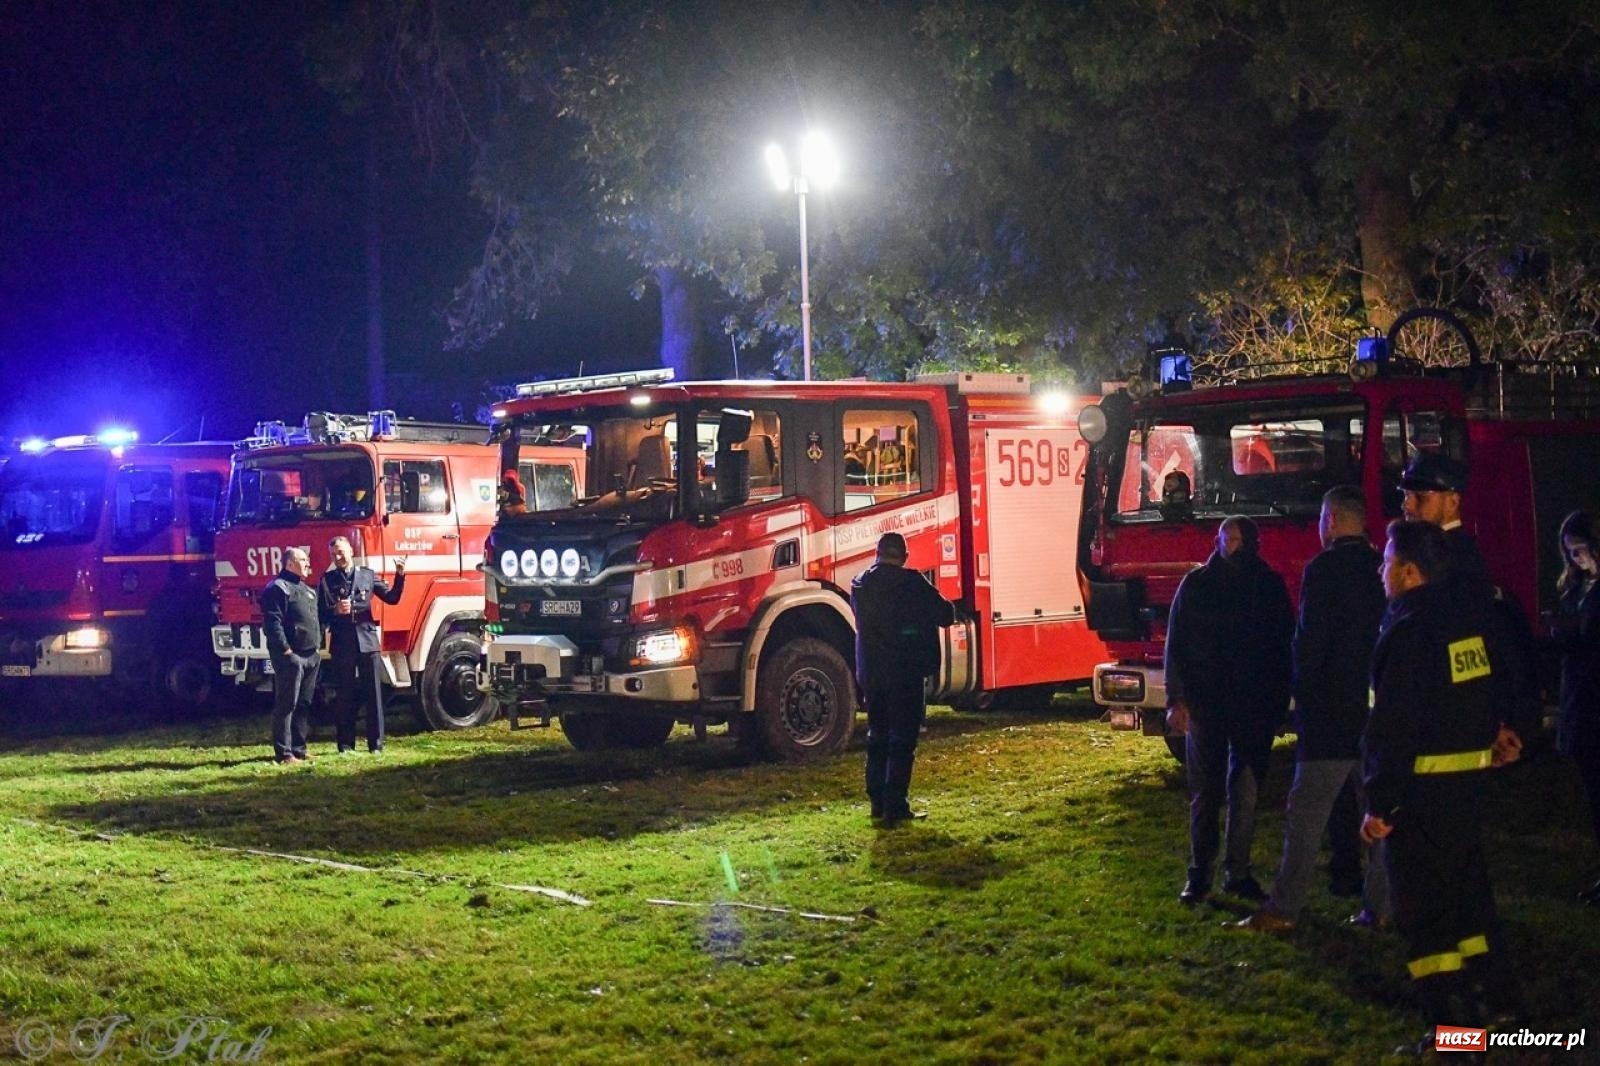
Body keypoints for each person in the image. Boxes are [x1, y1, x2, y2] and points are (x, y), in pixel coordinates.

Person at [1362, 519, 1520, 1049]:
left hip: (1420, 799)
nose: (1381, 572)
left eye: (1387, 562)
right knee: (1469, 905)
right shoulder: (1465, 623)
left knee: (1425, 919)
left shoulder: (1408, 631)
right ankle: (1498, 1007)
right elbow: (1488, 690)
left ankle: (1457, 1037)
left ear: (1409, 572)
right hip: (1466, 792)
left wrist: (1381, 804)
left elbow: (1394, 726)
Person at [1232, 486, 1390, 932]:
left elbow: (1311, 642)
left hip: (1330, 716)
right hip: (1376, 714)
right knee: (1377, 815)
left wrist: (1300, 695)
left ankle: (1283, 908)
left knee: (1305, 816)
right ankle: (1380, 907)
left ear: (1332, 520)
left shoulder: (1323, 570)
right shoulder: (1383, 566)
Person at [1166, 515, 1294, 904]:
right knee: (1206, 791)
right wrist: (1177, 698)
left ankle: (1236, 872)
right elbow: (1177, 643)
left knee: (1246, 791)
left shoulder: (1267, 586)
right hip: (1208, 704)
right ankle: (1200, 873)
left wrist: (1276, 705)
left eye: (1237, 540)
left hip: (1252, 706)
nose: (1230, 547)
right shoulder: (1197, 585)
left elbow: (1282, 649)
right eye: (1227, 539)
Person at [1400, 452, 1534, 766]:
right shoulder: (1447, 552)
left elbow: (1479, 639)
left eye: (1420, 497)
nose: (1408, 505)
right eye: (1405, 496)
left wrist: (1496, 714)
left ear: (1452, 501)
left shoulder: (1455, 557)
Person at [851, 532, 956, 824]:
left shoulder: (860, 584)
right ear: (904, 556)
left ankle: (877, 801)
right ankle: (895, 804)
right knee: (903, 738)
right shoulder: (913, 583)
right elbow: (946, 614)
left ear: (877, 553)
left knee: (877, 735)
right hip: (905, 673)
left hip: (872, 674)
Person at [318, 536, 406, 754]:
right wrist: (335, 610)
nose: (338, 557)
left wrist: (400, 575)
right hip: (342, 643)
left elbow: (392, 598)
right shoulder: (327, 580)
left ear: (351, 551)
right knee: (344, 695)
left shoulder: (367, 575)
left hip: (367, 641)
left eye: (340, 552)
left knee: (373, 694)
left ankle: (376, 744)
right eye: (333, 555)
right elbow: (320, 613)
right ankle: (346, 745)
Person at [1552, 510, 1600, 903]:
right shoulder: (1577, 587)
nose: (1577, 558)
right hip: (1581, 704)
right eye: (1571, 552)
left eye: (1582, 549)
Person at [261, 547, 321, 765]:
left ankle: (299, 748)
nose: (308, 564)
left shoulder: (306, 590)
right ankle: (284, 753)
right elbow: (273, 623)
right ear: (289, 563)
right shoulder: (277, 588)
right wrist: (286, 650)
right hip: (291, 657)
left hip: (311, 655)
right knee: (287, 704)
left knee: (304, 703)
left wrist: (317, 649)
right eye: (303, 560)